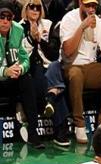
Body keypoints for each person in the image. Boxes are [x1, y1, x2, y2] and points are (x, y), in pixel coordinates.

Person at [60, 0, 101, 144]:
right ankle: (79, 125)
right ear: (80, 3)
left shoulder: (98, 22)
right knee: (76, 75)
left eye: (94, 6)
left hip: (91, 67)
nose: (91, 9)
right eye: (88, 5)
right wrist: (82, 26)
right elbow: (68, 51)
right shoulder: (69, 19)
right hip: (72, 66)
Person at [20, 0, 71, 146]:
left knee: (54, 66)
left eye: (38, 7)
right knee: (44, 79)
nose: (35, 10)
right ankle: (61, 127)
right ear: (26, 9)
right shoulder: (18, 27)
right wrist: (31, 39)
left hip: (49, 65)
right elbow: (22, 55)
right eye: (32, 7)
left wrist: (40, 40)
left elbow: (54, 54)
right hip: (31, 67)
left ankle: (50, 98)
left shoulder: (48, 25)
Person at [0, 0, 43, 148]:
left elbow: (25, 59)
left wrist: (20, 69)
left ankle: (33, 133)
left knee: (27, 78)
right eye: (2, 17)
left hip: (12, 77)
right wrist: (5, 71)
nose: (5, 21)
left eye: (9, 17)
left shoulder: (18, 30)